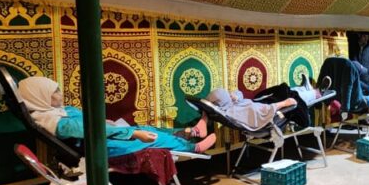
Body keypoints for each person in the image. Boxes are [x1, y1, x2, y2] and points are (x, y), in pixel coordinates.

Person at [19, 76, 217, 156]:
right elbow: (93, 129)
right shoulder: (59, 123)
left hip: (104, 138)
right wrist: (133, 134)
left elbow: (90, 123)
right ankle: (194, 147)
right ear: (40, 97)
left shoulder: (54, 113)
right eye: (55, 92)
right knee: (154, 138)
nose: (60, 94)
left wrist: (108, 123)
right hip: (103, 146)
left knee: (148, 128)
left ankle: (190, 131)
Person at [205, 88, 298, 131]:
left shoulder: (230, 105)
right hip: (267, 106)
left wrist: (236, 97)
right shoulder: (235, 111)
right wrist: (284, 103)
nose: (229, 94)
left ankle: (303, 89)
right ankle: (305, 91)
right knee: (286, 91)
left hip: (258, 102)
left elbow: (239, 93)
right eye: (227, 94)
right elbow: (262, 110)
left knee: (283, 88)